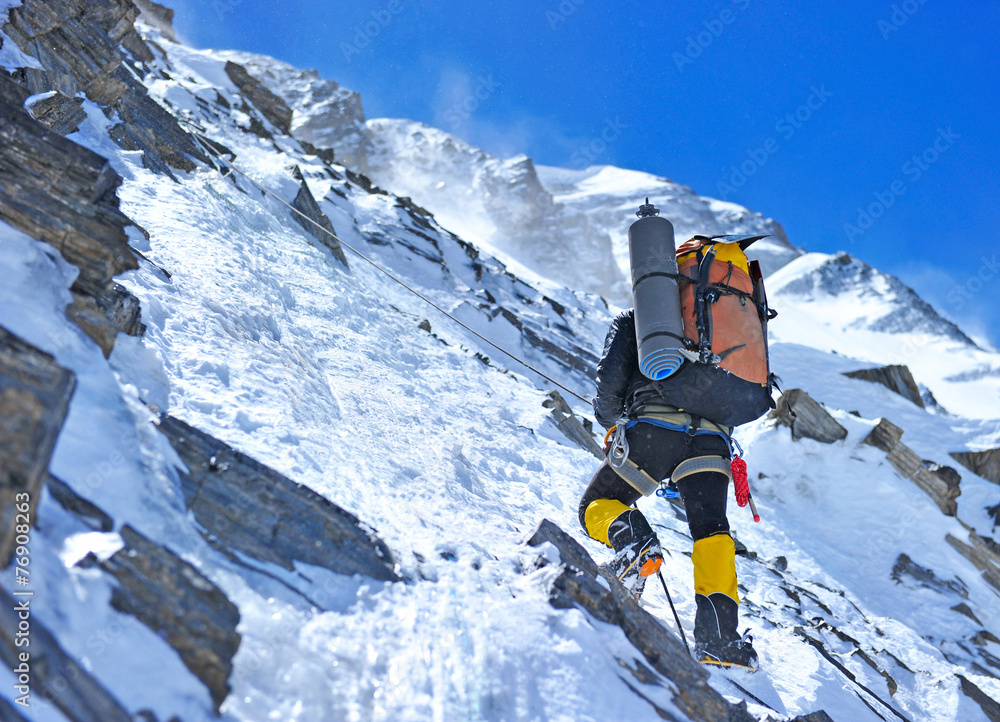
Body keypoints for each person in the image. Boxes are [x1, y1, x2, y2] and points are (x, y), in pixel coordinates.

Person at [579, 306, 760, 671]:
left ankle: (634, 542)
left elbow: (611, 382)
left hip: (654, 429)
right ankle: (720, 640)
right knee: (712, 530)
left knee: (596, 505)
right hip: (713, 442)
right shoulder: (733, 317)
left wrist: (610, 418)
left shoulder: (645, 312)